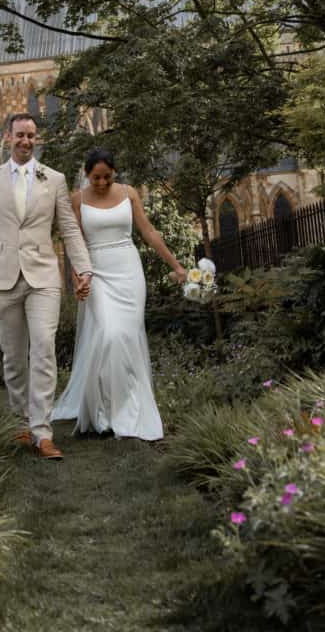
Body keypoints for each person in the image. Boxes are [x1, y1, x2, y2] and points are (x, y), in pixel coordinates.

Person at [0, 113, 93, 460]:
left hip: (43, 276)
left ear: (36, 140)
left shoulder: (54, 179)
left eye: (31, 136)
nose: (25, 141)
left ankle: (42, 431)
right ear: (8, 137)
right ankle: (21, 422)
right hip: (4, 276)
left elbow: (68, 226)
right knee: (14, 356)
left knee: (45, 347)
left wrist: (83, 269)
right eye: (20, 135)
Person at [52, 147, 187, 440]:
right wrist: (79, 278)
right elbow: (74, 245)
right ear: (87, 175)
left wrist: (176, 265)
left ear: (115, 173)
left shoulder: (129, 194)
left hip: (129, 271)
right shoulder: (78, 200)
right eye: (96, 178)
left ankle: (125, 407)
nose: (101, 183)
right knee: (108, 335)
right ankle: (100, 412)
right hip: (97, 272)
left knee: (127, 337)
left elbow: (149, 232)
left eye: (107, 177)